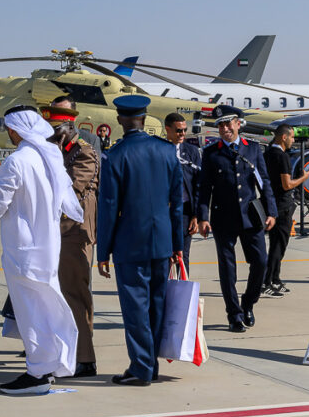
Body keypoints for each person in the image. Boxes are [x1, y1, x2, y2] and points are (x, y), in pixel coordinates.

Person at [0, 106, 82, 395]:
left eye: (10, 129)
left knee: (30, 313)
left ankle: (36, 373)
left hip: (23, 250)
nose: (9, 135)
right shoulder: (48, 158)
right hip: (47, 247)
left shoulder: (17, 161)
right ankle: (47, 367)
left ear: (16, 130)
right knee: (46, 308)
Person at [96, 95, 183, 387]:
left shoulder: (115, 155)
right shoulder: (167, 151)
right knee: (156, 306)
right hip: (161, 242)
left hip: (129, 243)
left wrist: (103, 250)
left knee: (135, 309)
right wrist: (178, 244)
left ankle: (141, 367)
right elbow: (177, 203)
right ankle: (150, 364)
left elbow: (108, 206)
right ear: (144, 119)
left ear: (120, 120)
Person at [198, 108, 276, 333]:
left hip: (251, 217)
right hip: (223, 218)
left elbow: (264, 182)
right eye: (220, 125)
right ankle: (233, 314)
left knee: (261, 262)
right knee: (227, 270)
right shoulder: (211, 153)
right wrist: (203, 217)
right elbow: (204, 189)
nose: (224, 129)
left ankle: (248, 303)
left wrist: (271, 212)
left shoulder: (253, 149)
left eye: (228, 124)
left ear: (238, 124)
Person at [42, 104, 100, 377]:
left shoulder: (84, 153)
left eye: (55, 130)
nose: (51, 136)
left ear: (69, 128)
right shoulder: (58, 152)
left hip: (74, 234)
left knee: (75, 294)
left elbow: (69, 190)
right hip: (59, 233)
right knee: (60, 296)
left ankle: (85, 359)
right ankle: (66, 354)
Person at [262, 124, 309, 297]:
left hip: (271, 204)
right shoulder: (281, 156)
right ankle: (267, 281)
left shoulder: (266, 154)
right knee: (278, 246)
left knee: (277, 244)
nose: (293, 140)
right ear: (284, 137)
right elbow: (287, 184)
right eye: (292, 137)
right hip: (282, 206)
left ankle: (275, 278)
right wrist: (303, 178)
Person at [165, 112, 202, 275]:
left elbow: (198, 185)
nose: (182, 134)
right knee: (163, 254)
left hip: (185, 211)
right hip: (163, 211)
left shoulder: (192, 152)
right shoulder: (159, 149)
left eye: (184, 130)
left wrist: (196, 216)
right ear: (168, 129)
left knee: (182, 254)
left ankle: (182, 293)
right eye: (179, 130)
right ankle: (162, 292)